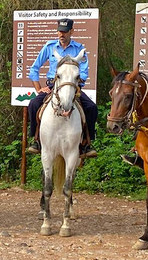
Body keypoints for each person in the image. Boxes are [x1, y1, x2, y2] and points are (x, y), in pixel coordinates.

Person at [26, 18, 98, 157]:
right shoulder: (49, 47)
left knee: (91, 108)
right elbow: (34, 68)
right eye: (60, 31)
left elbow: (83, 71)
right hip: (53, 85)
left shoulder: (79, 49)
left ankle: (87, 143)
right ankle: (36, 140)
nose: (61, 34)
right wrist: (38, 88)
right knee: (34, 104)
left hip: (72, 85)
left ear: (71, 31)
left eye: (65, 32)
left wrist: (75, 83)